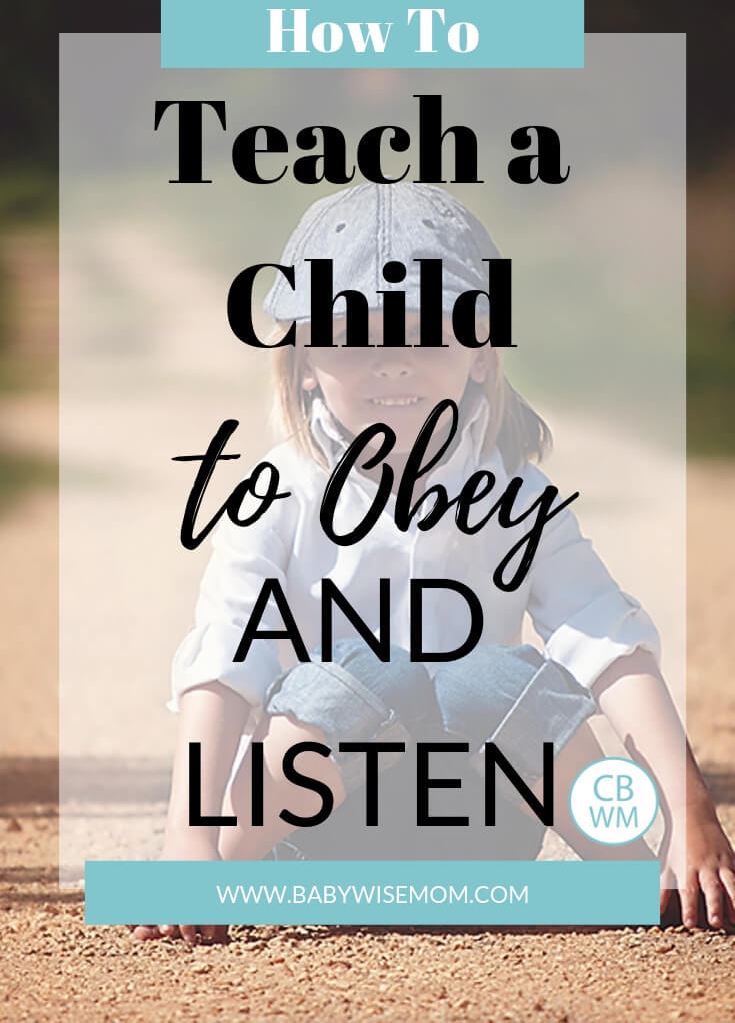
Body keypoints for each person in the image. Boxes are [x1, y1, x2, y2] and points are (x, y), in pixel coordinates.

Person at [132, 183, 735, 944]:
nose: (392, 365)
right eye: (355, 339)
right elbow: (224, 659)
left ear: (480, 354)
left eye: (425, 335)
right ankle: (214, 871)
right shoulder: (277, 493)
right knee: (358, 677)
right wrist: (188, 838)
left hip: (481, 829)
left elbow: (605, 641)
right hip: (316, 832)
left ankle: (645, 875)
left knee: (492, 677)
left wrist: (690, 812)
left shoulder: (518, 493)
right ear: (305, 362)